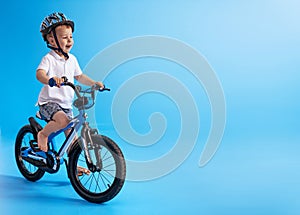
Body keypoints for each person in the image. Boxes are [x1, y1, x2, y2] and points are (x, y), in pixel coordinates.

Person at [36, 12, 104, 157]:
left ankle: (73, 166)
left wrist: (94, 83)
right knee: (63, 121)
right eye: (64, 37)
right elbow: (40, 74)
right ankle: (43, 134)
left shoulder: (72, 59)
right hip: (49, 102)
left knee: (72, 138)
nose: (69, 40)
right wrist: (50, 79)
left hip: (66, 104)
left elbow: (79, 76)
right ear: (52, 41)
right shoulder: (49, 59)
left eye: (71, 37)